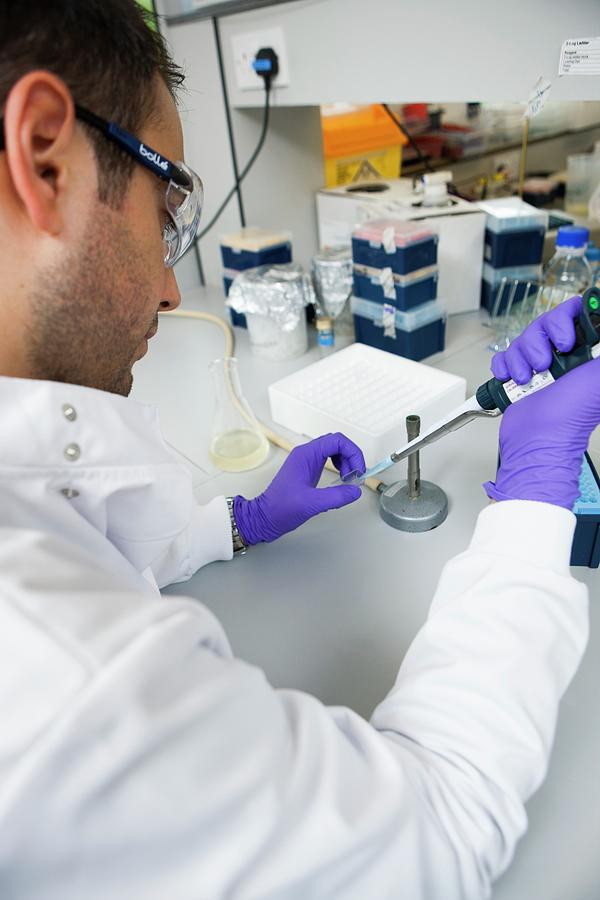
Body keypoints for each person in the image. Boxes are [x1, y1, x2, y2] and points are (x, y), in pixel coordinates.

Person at [0, 2, 596, 898]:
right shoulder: (59, 679)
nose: (171, 289)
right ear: (45, 155)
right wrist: (537, 490)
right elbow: (442, 825)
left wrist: (229, 525)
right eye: (167, 215)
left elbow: (64, 526)